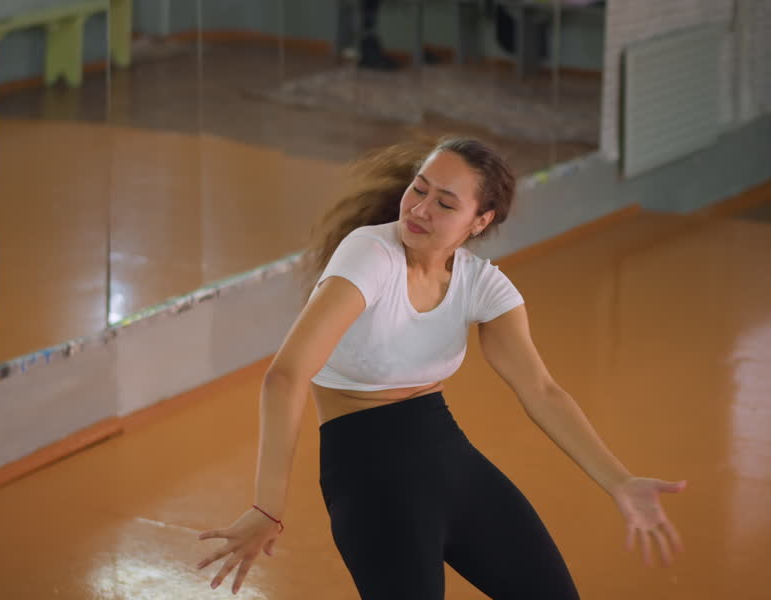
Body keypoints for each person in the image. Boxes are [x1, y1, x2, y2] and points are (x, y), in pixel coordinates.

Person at [196, 137, 687, 597]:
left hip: (449, 459)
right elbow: (286, 375)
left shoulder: (481, 284)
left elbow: (542, 390)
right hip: (369, 477)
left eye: (445, 203)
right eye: (419, 189)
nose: (420, 209)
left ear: (479, 221)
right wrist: (268, 506)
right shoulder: (370, 254)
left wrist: (618, 480)